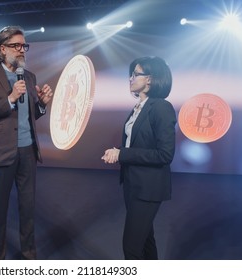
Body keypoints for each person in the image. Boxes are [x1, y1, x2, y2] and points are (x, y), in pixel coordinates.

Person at [0, 26, 53, 260]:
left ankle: (28, 256)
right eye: (16, 46)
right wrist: (9, 99)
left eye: (24, 46)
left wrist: (42, 104)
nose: (22, 50)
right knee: (0, 211)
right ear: (2, 49)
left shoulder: (29, 77)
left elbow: (31, 115)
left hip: (28, 151)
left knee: (27, 209)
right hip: (1, 152)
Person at [101, 56, 176, 260]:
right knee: (145, 240)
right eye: (131, 74)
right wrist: (119, 150)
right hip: (133, 184)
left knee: (132, 248)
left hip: (148, 187)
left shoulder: (161, 107)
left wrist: (122, 154)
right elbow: (137, 144)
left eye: (136, 74)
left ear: (150, 79)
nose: (131, 78)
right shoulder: (138, 108)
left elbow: (165, 154)